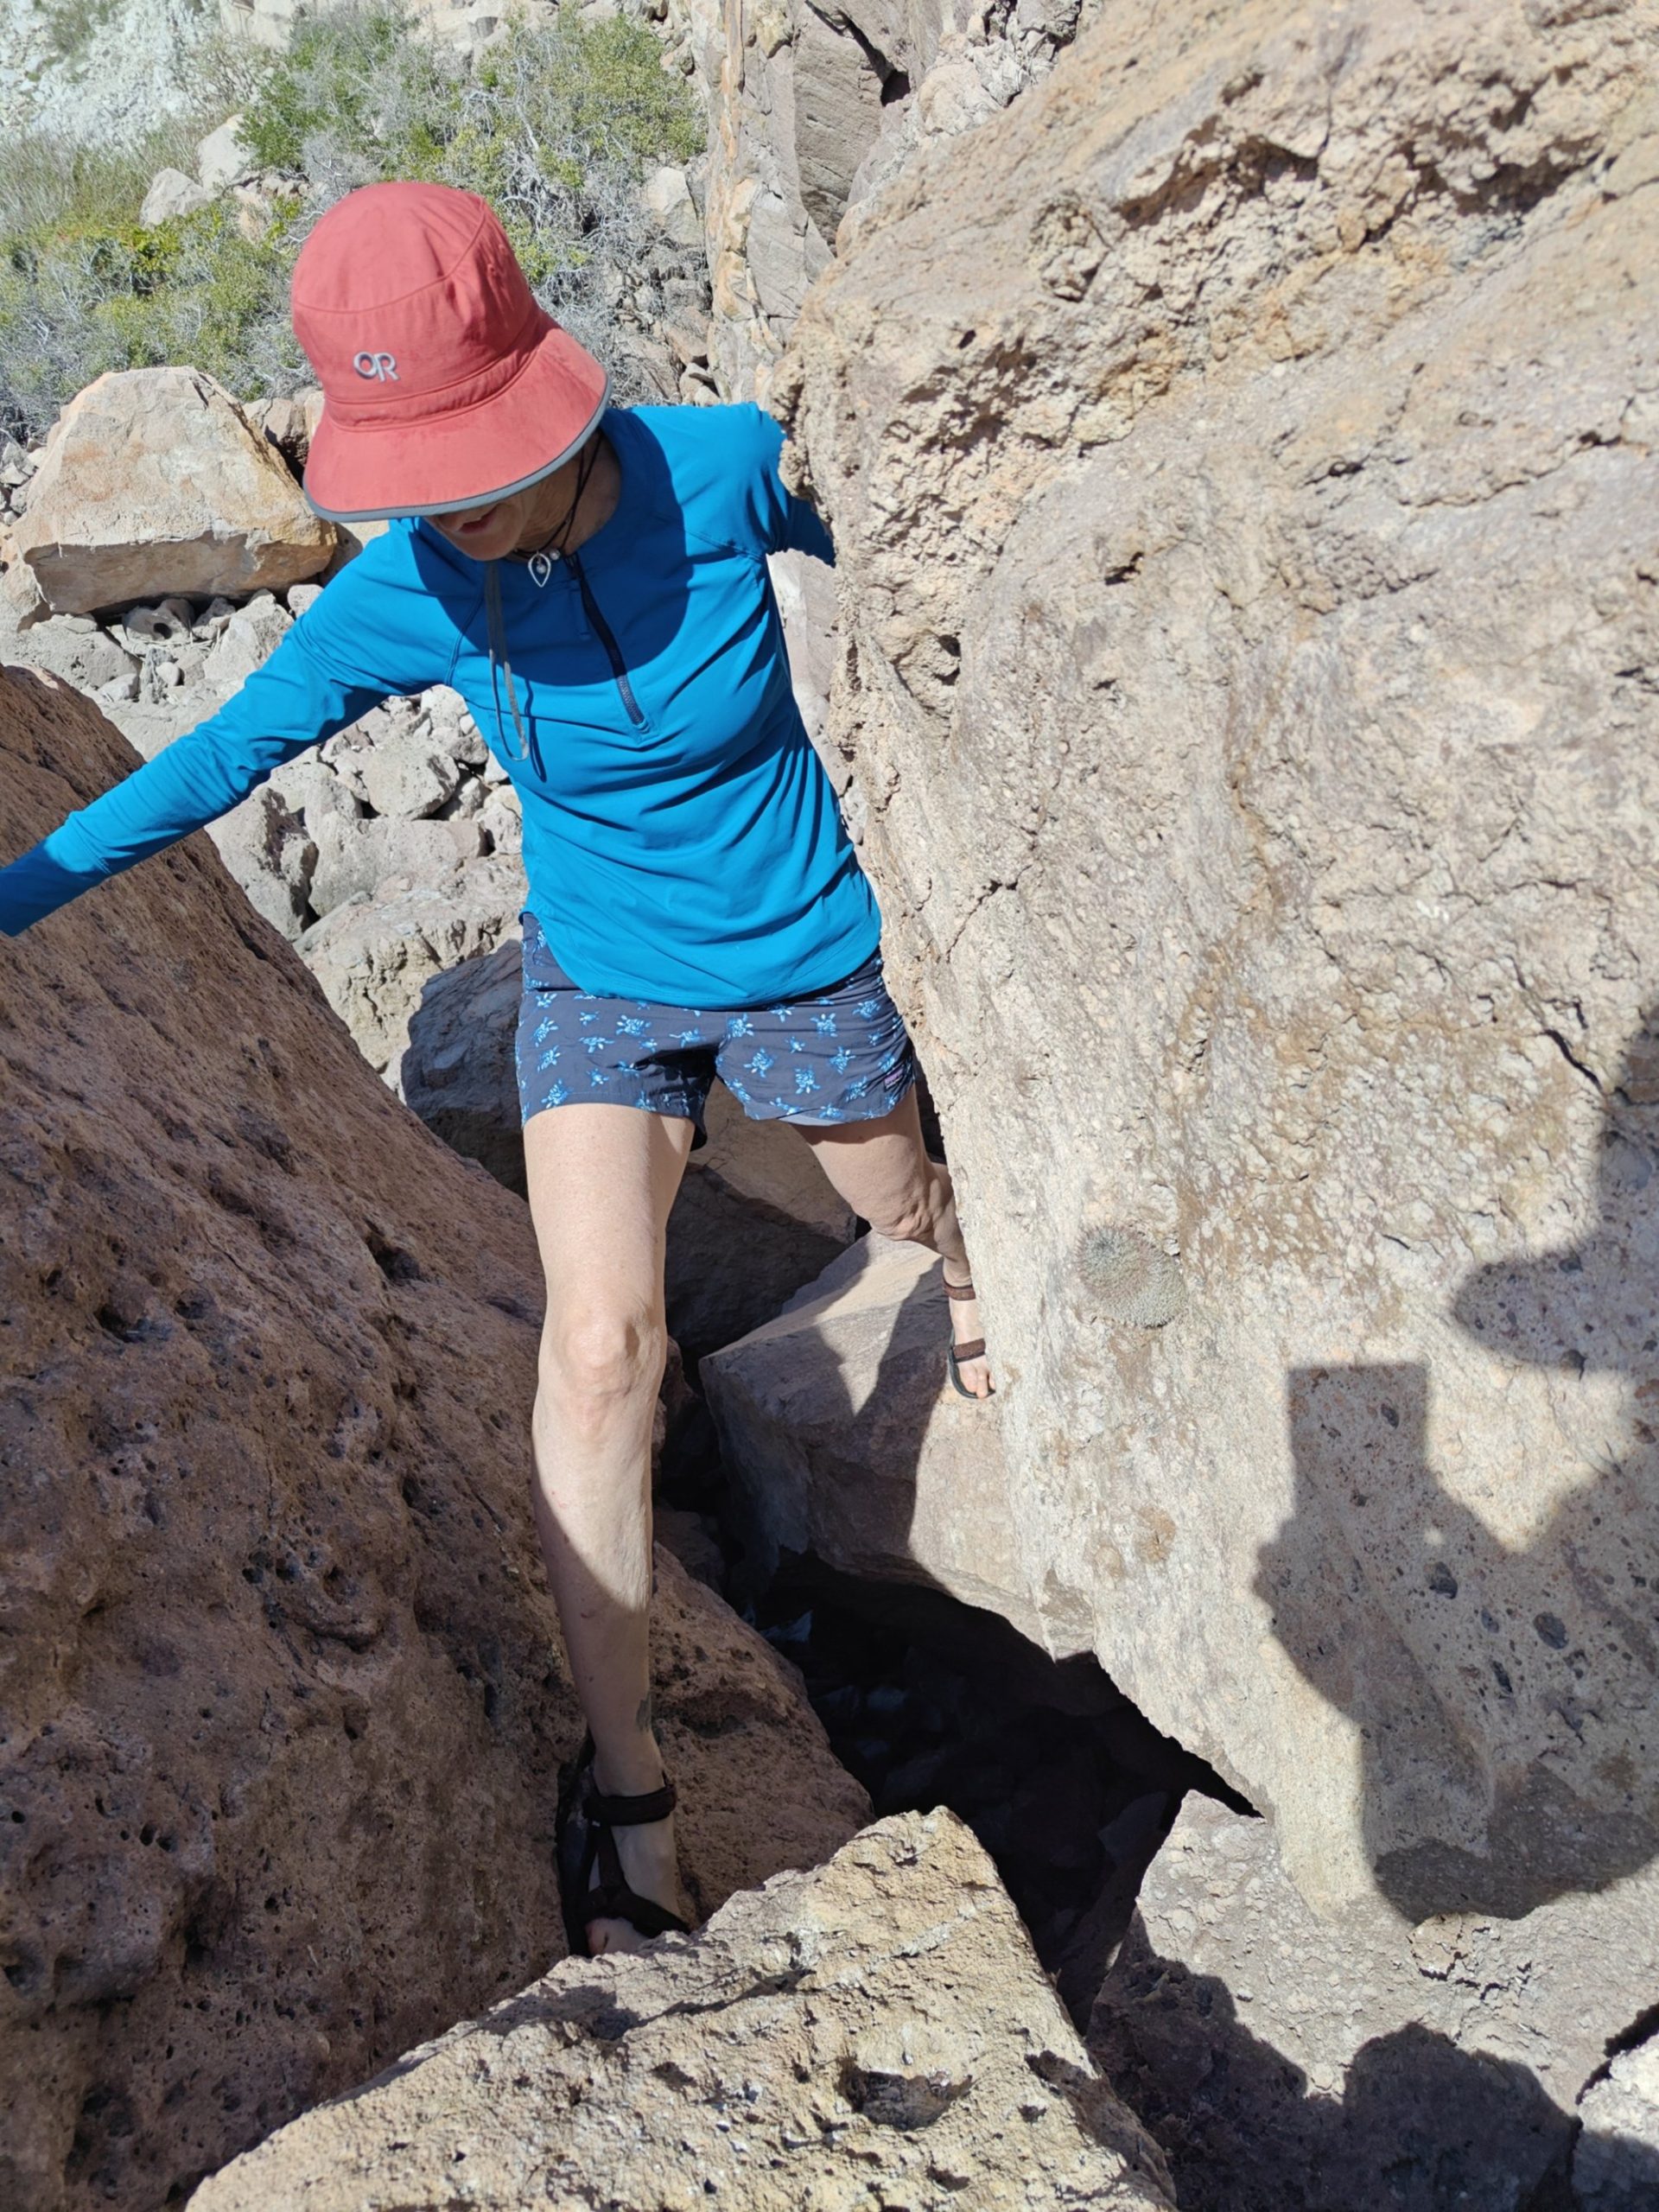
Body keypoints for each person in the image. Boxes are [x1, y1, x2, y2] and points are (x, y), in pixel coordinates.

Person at [0, 181, 994, 1955]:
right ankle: (631, 1794)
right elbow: (218, 759)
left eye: (472, 461)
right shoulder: (416, 588)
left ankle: (973, 1264)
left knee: (905, 1211)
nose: (448, 508)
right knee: (599, 1352)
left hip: (797, 948)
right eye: (414, 474)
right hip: (599, 976)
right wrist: (13, 897)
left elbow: (947, 538)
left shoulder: (722, 471)